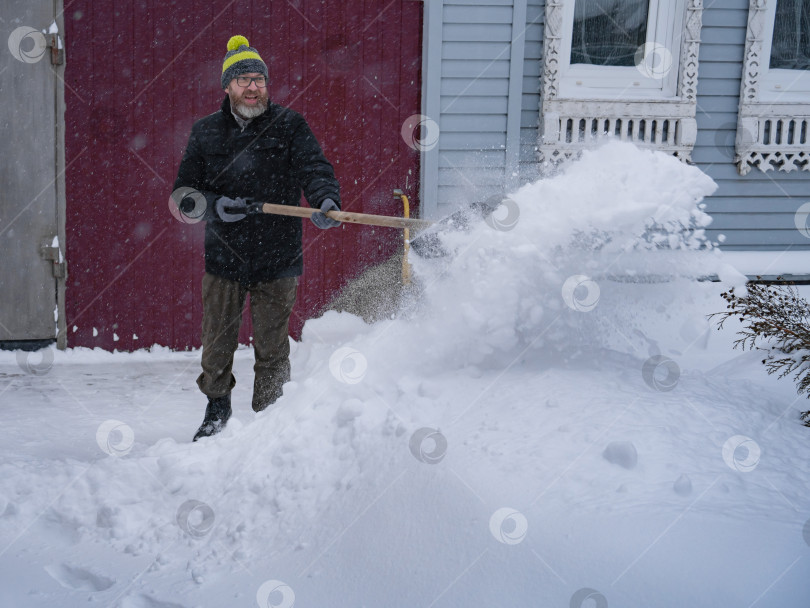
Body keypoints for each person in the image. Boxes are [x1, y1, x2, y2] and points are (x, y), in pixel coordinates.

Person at [173, 35, 341, 441]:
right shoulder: (206, 132)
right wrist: (214, 206)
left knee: (273, 348)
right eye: (244, 80)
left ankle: (270, 420)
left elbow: (314, 167)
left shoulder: (290, 125)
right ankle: (217, 409)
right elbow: (183, 194)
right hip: (224, 258)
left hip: (278, 257)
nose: (253, 87)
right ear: (227, 86)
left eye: (259, 80)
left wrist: (325, 200)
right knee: (216, 345)